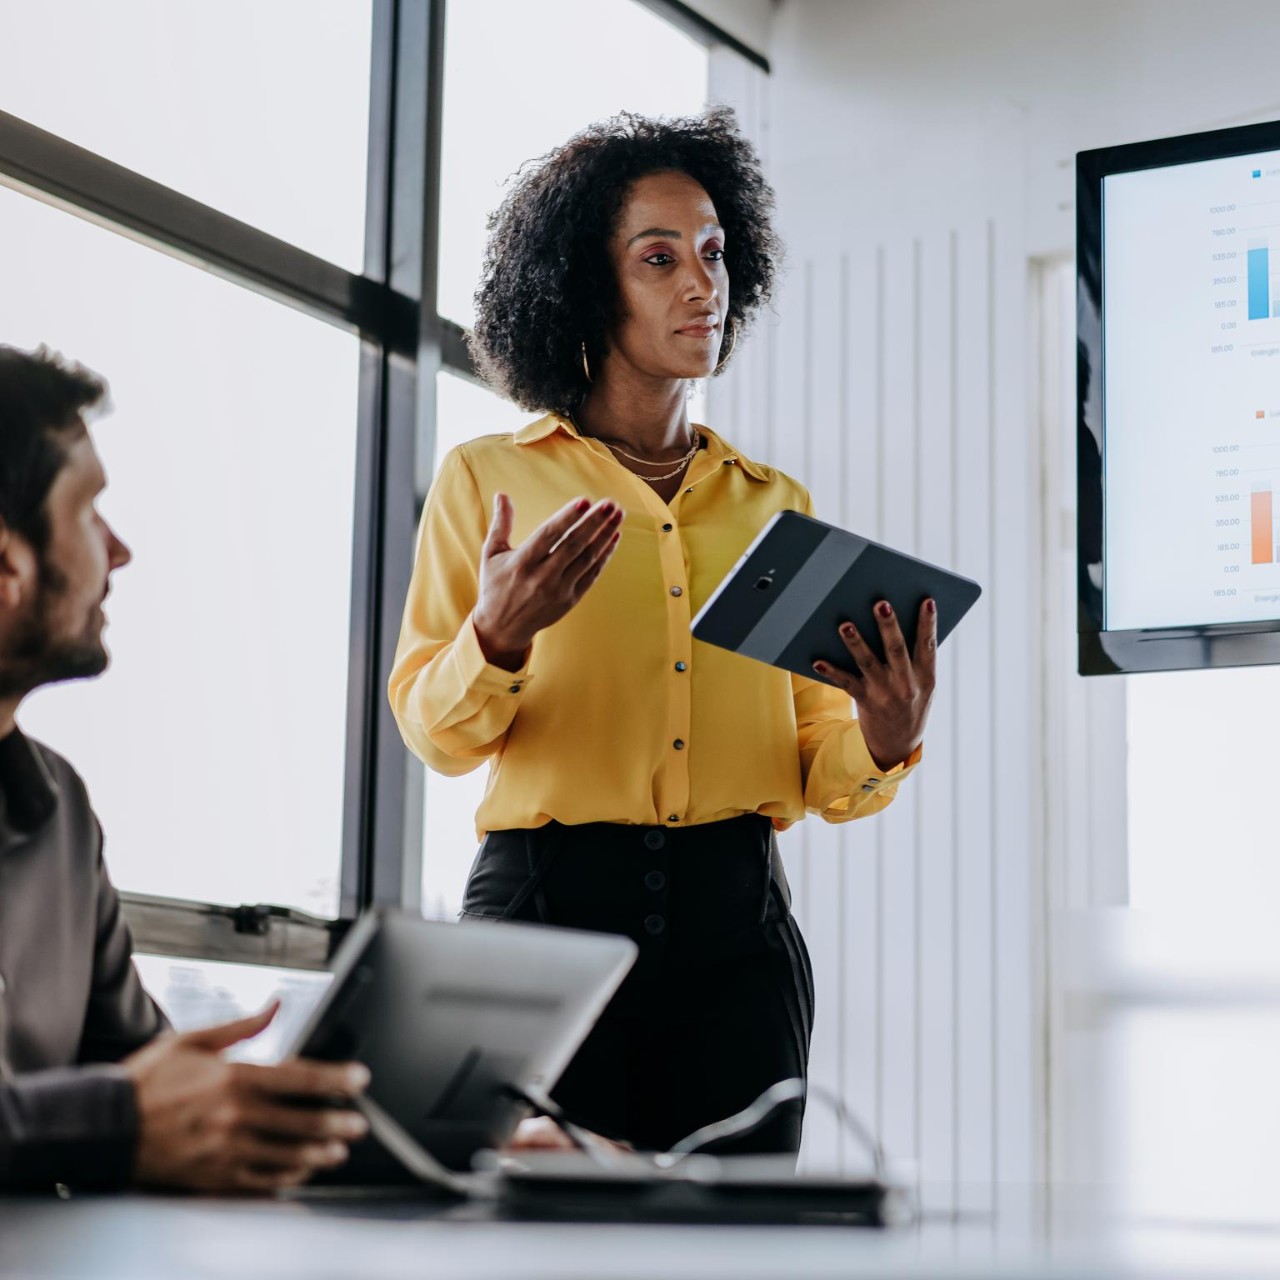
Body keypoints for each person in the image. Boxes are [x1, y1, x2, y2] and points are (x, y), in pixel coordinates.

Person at [389, 108, 936, 1158]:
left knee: (733, 1249)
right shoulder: (486, 481)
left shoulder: (771, 504)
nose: (702, 284)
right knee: (538, 1236)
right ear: (585, 286)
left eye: (714, 253)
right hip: (542, 919)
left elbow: (825, 772)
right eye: (658, 258)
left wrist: (882, 729)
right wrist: (495, 639)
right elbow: (436, 732)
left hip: (736, 937)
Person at [0, 346, 370, 1193]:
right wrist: (112, 1122)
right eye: (90, 512)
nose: (120, 551)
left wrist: (393, 1139)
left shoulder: (59, 814)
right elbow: (132, 1109)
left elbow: (158, 1082)